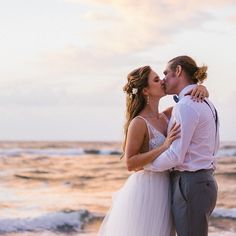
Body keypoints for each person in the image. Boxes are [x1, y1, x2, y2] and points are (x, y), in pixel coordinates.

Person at [97, 65, 209, 236]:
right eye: (156, 80)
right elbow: (130, 163)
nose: (163, 81)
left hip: (167, 187)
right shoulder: (139, 122)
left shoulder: (167, 116)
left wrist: (202, 88)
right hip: (147, 190)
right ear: (146, 91)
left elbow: (188, 102)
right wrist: (163, 147)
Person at [144, 56, 219, 236]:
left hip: (189, 185)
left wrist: (146, 166)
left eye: (166, 74)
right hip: (204, 181)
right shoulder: (207, 103)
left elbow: (175, 155)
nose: (163, 80)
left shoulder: (185, 106)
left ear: (178, 71)